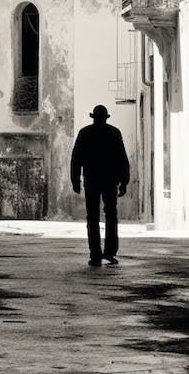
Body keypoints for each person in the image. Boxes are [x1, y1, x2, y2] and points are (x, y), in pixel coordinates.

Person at [70, 104, 130, 266]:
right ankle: (109, 252)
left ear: (93, 117)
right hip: (110, 181)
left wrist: (75, 180)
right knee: (111, 216)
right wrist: (124, 181)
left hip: (92, 180)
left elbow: (76, 159)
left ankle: (95, 254)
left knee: (93, 217)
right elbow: (122, 158)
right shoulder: (114, 133)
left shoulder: (85, 133)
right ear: (105, 118)